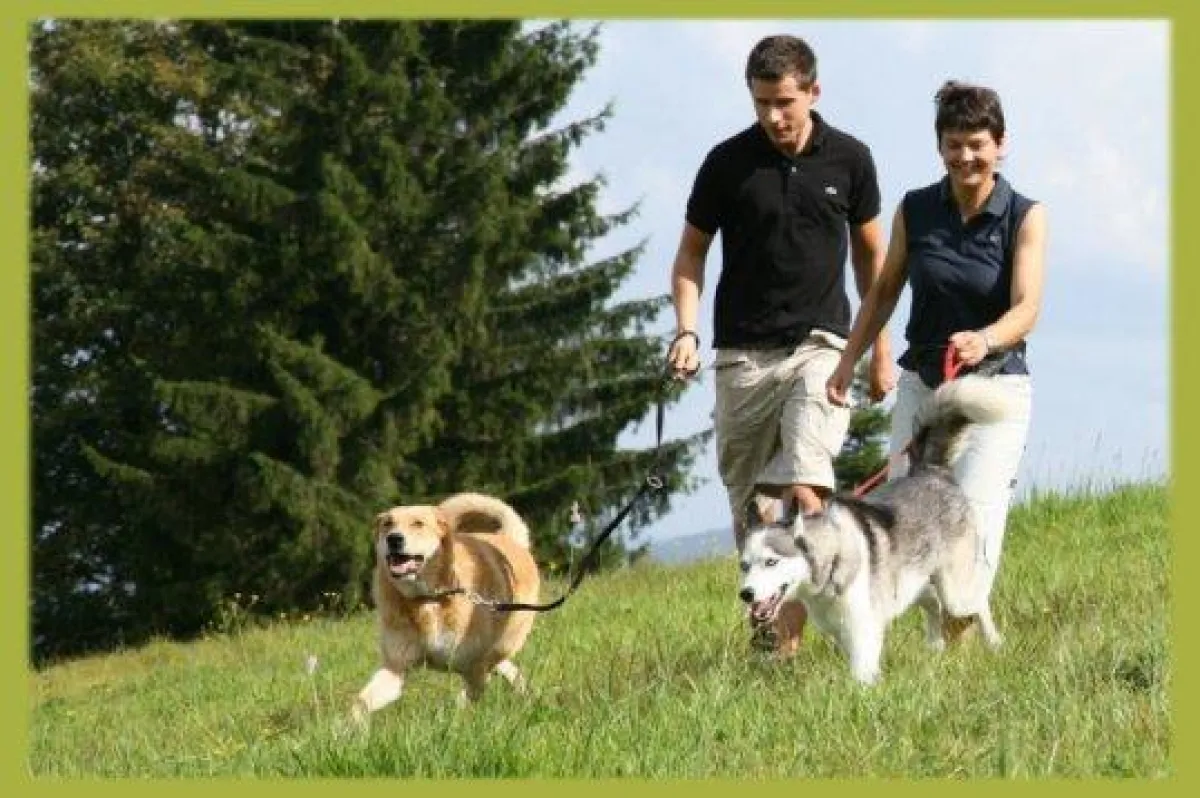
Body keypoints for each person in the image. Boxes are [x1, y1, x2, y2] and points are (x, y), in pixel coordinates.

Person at [667, 34, 895, 657]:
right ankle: (771, 644)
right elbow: (690, 256)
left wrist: (877, 351)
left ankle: (815, 634)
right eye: (762, 102)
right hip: (741, 357)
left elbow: (873, 262)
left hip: (821, 348)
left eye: (785, 102)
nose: (773, 116)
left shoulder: (850, 159)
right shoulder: (726, 163)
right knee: (753, 514)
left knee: (805, 485)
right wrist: (686, 330)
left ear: (813, 92)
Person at [826, 80, 1047, 635]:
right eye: (954, 144)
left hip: (994, 389)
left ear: (1001, 144)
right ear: (940, 147)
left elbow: (1028, 309)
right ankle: (947, 630)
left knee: (971, 509)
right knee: (907, 517)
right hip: (924, 384)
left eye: (977, 143)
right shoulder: (917, 209)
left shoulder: (1024, 215)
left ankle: (959, 631)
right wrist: (848, 361)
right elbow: (882, 293)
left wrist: (986, 338)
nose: (966, 156)